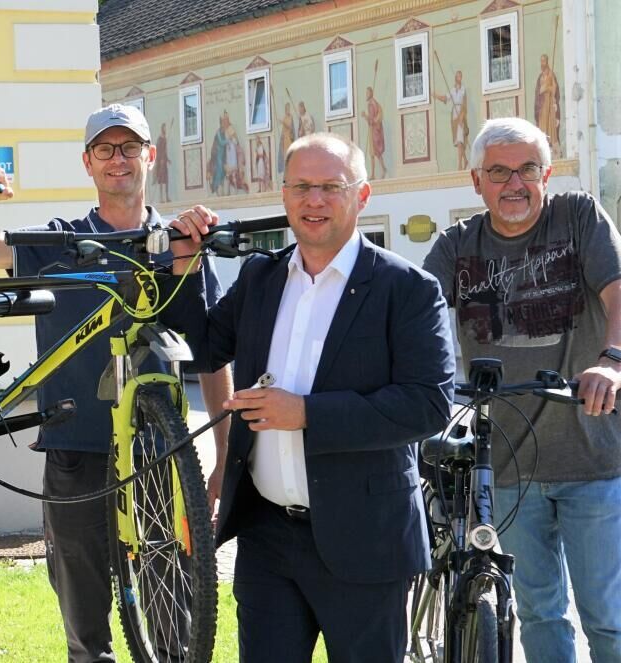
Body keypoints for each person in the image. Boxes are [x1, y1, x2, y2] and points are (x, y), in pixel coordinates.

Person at [0, 102, 233, 663]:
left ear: (151, 156)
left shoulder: (179, 243)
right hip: (76, 452)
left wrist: (223, 455)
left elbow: (214, 357)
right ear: (88, 162)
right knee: (85, 634)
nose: (118, 159)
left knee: (175, 629)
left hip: (158, 457)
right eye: (105, 149)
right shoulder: (59, 241)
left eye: (130, 147)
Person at [164, 132, 454, 661]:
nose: (313, 200)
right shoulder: (261, 276)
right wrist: (186, 263)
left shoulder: (407, 288)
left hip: (366, 541)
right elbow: (203, 348)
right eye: (301, 187)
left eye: (330, 186)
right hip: (267, 538)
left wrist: (304, 413)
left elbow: (428, 403)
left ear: (361, 196)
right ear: (284, 195)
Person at [422, 117, 621, 662]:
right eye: (498, 172)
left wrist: (611, 361)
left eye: (527, 169)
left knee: (608, 620)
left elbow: (617, 290)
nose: (514, 183)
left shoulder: (577, 217)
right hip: (508, 465)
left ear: (546, 175)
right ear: (476, 181)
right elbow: (416, 314)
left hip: (592, 458)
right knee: (539, 611)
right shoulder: (456, 246)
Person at [434, 69, 470, 170]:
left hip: (461, 115)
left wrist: (461, 117)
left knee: (460, 140)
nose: (459, 78)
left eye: (460, 76)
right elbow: (445, 98)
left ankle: (459, 165)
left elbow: (465, 104)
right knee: (458, 141)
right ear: (455, 78)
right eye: (458, 76)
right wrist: (436, 96)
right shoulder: (453, 90)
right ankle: (465, 160)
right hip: (454, 116)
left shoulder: (463, 89)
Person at [534, 54, 562, 158]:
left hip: (550, 104)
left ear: (547, 62)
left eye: (544, 61)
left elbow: (555, 90)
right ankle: (544, 146)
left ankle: (553, 148)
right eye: (541, 61)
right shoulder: (540, 77)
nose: (542, 63)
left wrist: (549, 88)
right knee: (543, 126)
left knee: (551, 126)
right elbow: (539, 91)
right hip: (542, 106)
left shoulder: (551, 75)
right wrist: (544, 87)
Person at [361, 86, 387, 179]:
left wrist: (364, 116)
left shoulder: (371, 105)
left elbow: (371, 121)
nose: (366, 95)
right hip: (377, 130)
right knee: (376, 153)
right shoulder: (375, 103)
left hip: (373, 131)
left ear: (371, 94)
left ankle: (373, 174)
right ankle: (382, 169)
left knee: (373, 153)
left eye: (367, 93)